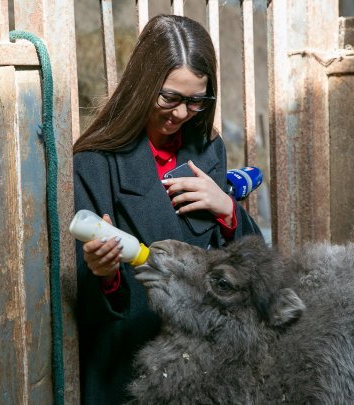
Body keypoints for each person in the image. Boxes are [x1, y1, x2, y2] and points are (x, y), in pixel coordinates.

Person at [72, 14, 263, 404]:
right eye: (169, 98)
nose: (180, 113)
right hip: (129, 364)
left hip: (203, 364)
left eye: (196, 100)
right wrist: (106, 275)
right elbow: (86, 308)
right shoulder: (95, 162)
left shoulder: (207, 150)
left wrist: (227, 209)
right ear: (143, 84)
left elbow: (252, 268)